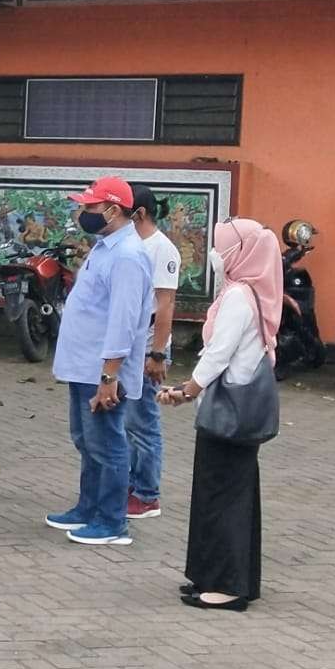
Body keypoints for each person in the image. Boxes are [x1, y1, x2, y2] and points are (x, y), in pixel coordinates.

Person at [158, 219, 282, 610]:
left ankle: (228, 587)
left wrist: (187, 389)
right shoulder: (252, 291)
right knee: (227, 494)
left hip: (229, 412)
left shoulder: (237, 297)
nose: (214, 254)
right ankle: (213, 576)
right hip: (236, 411)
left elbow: (218, 353)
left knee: (223, 497)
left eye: (220, 247)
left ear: (238, 252)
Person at [46, 175, 154, 545]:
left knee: (107, 444)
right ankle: (88, 508)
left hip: (102, 370)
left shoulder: (127, 255)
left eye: (90, 206)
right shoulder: (106, 246)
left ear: (113, 210)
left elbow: (124, 321)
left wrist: (110, 375)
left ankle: (111, 521)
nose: (83, 212)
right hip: (84, 365)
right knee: (87, 440)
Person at [125, 185, 182, 520]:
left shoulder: (162, 249)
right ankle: (132, 485)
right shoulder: (130, 246)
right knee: (129, 424)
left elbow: (165, 305)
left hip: (148, 350)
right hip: (130, 350)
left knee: (143, 424)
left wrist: (157, 354)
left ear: (140, 213)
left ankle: (147, 494)